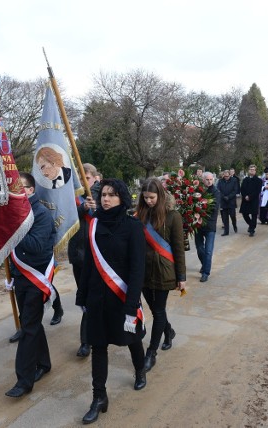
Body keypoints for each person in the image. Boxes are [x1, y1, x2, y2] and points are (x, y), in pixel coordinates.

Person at [75, 178, 147, 425]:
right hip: (98, 297)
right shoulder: (93, 224)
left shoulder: (133, 226)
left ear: (122, 198)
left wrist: (131, 304)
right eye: (103, 194)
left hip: (123, 296)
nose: (106, 199)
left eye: (112, 195)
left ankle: (139, 369)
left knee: (132, 339)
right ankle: (99, 397)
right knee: (98, 346)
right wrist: (82, 294)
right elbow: (88, 266)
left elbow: (138, 269)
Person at [4, 172, 57, 398]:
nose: (16, 191)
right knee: (32, 324)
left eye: (21, 187)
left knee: (27, 328)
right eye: (13, 188)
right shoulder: (14, 213)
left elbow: (35, 245)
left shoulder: (41, 214)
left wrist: (14, 228)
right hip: (21, 277)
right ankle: (44, 363)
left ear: (31, 190)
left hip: (37, 277)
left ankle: (23, 381)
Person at [136, 178, 186, 372]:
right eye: (145, 197)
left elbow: (179, 248)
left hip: (164, 270)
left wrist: (181, 276)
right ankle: (169, 331)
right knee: (156, 308)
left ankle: (151, 352)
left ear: (160, 195)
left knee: (158, 311)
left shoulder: (173, 216)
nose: (148, 201)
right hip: (143, 270)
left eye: (152, 197)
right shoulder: (139, 215)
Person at [67, 163, 101, 358]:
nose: (82, 181)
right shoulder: (73, 197)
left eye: (86, 178)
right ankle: (87, 340)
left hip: (97, 256)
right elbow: (66, 220)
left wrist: (96, 209)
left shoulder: (104, 194)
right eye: (80, 178)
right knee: (86, 298)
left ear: (95, 178)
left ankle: (88, 340)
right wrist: (81, 209)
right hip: (78, 255)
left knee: (95, 298)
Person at [195, 172, 220, 282]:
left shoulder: (216, 192)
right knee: (200, 249)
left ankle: (205, 272)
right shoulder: (198, 191)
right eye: (207, 179)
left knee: (208, 251)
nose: (209, 181)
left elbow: (214, 208)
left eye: (211, 179)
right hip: (198, 225)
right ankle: (204, 264)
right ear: (203, 180)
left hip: (210, 225)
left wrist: (201, 210)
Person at [239, 165, 263, 237]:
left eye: (253, 169)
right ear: (248, 170)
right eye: (250, 169)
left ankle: (252, 230)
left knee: (254, 215)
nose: (252, 171)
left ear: (255, 171)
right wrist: (245, 196)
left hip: (254, 200)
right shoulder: (245, 179)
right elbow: (242, 189)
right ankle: (251, 224)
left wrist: (250, 197)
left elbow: (257, 191)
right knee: (245, 214)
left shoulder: (259, 180)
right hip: (245, 199)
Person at [217, 169, 239, 235]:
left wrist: (229, 197)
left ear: (230, 175)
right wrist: (223, 196)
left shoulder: (234, 180)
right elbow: (218, 190)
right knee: (225, 217)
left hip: (231, 201)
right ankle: (226, 231)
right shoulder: (220, 181)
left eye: (227, 176)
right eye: (225, 176)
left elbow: (235, 190)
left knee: (232, 216)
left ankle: (234, 225)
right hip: (223, 201)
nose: (226, 177)